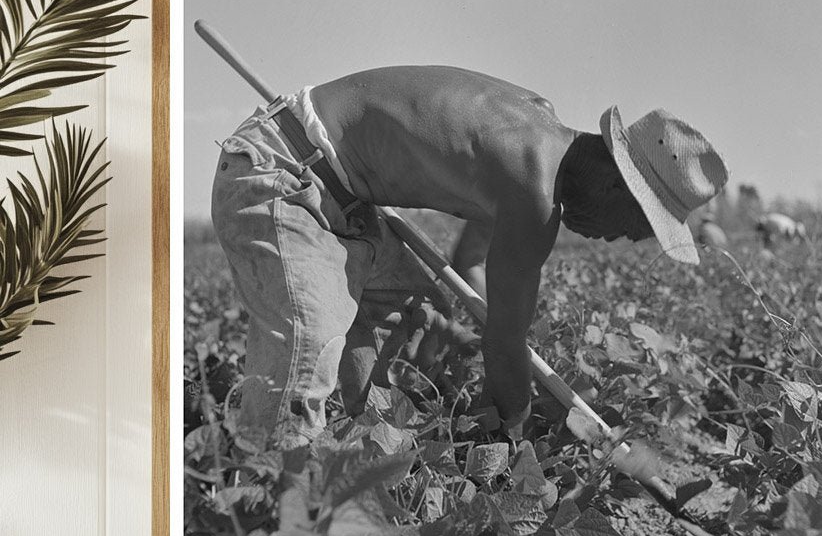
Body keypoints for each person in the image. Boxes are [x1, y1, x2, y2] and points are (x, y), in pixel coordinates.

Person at [211, 65, 729, 460]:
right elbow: (503, 342)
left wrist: (502, 345)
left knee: (422, 320)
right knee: (308, 350)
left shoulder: (536, 130)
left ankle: (368, 455)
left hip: (343, 195)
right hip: (280, 173)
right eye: (633, 225)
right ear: (620, 184)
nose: (616, 239)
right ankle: (268, 510)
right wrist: (518, 428)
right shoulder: (534, 191)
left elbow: (469, 265)